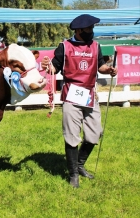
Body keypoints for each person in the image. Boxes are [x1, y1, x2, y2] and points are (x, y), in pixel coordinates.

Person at [41, 14, 118, 188]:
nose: (92, 32)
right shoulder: (65, 46)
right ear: (79, 30)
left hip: (91, 95)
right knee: (71, 135)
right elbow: (54, 67)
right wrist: (47, 65)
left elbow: (100, 66)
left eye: (92, 28)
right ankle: (73, 174)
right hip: (71, 95)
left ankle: (80, 164)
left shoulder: (96, 46)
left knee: (94, 134)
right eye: (89, 29)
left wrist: (109, 70)